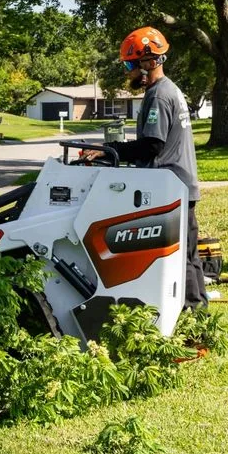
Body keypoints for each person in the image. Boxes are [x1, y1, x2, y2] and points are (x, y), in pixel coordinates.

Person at [85, 26, 206, 309]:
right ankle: (196, 309)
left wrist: (108, 152)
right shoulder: (167, 91)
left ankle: (192, 313)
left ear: (149, 62)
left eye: (129, 64)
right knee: (188, 254)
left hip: (170, 186)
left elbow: (152, 146)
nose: (127, 72)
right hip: (179, 185)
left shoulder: (159, 95)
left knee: (180, 256)